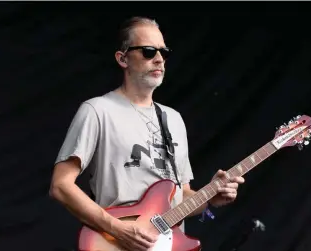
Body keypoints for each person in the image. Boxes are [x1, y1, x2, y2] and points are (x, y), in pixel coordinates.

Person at [49, 16, 245, 251]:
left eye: (164, 52)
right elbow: (60, 185)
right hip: (114, 243)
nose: (160, 59)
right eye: (149, 51)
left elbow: (179, 196)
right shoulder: (97, 110)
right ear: (122, 58)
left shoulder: (173, 119)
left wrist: (210, 197)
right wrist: (116, 228)